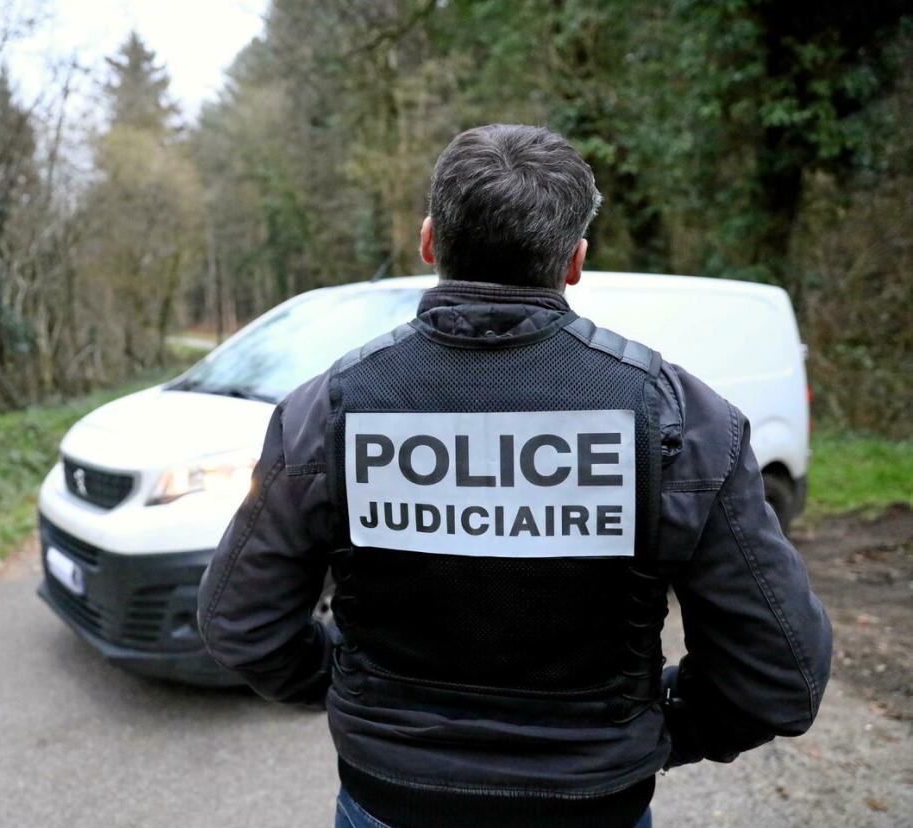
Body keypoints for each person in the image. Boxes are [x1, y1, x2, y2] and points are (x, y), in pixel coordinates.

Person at [196, 124, 832, 828]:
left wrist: (354, 688)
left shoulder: (323, 409)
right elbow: (780, 673)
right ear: (575, 262)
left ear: (430, 241)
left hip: (391, 799)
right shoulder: (682, 418)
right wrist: (654, 729)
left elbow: (240, 624)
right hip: (593, 806)